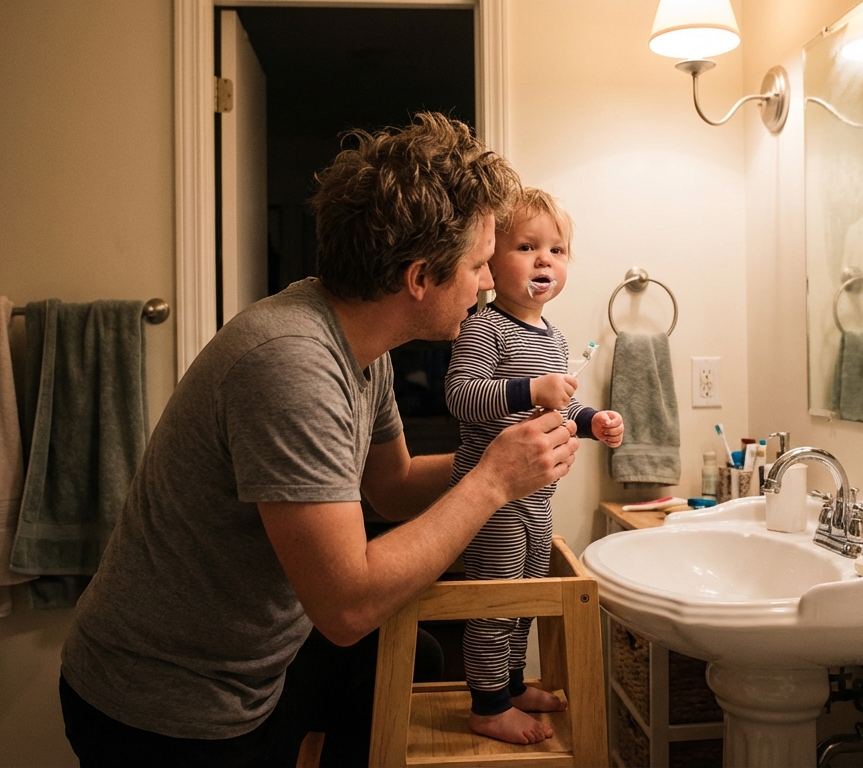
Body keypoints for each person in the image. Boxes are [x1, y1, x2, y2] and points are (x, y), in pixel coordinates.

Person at [57, 113, 581, 767]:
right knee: (373, 635)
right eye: (478, 264)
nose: (485, 282)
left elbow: (388, 489)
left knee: (413, 653)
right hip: (172, 706)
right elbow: (348, 606)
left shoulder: (366, 345)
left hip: (268, 650)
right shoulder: (292, 365)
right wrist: (492, 481)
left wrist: (511, 462)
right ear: (419, 278)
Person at [444, 188, 624, 745]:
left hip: (536, 497)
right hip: (491, 495)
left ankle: (513, 683)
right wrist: (529, 386)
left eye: (557, 249)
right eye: (527, 246)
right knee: (495, 598)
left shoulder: (555, 335)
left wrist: (591, 419)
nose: (545, 258)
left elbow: (559, 405)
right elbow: (461, 395)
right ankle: (487, 703)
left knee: (529, 591)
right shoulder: (483, 327)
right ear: (491, 263)